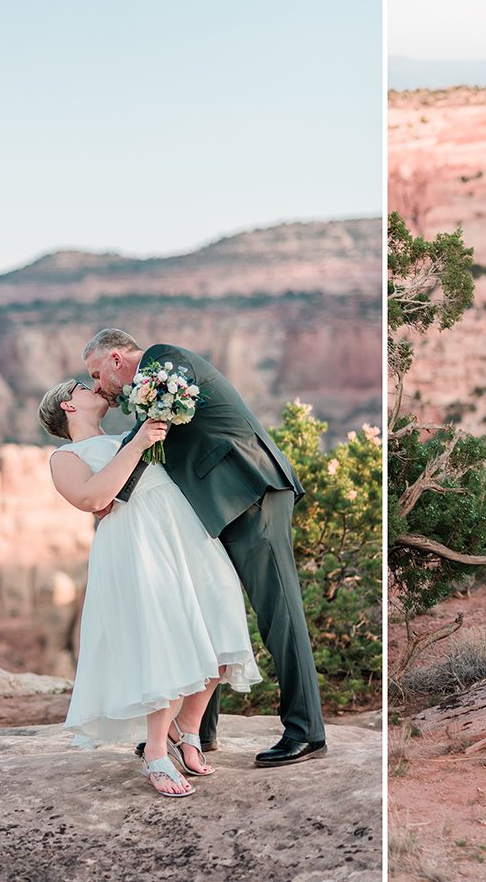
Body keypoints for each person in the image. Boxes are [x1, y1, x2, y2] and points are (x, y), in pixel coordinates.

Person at [82, 328, 327, 768]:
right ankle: (199, 732)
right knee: (206, 610)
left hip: (251, 490)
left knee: (280, 613)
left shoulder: (163, 359)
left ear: (117, 359)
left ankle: (306, 731)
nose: (99, 387)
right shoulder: (150, 379)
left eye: (98, 374)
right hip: (218, 506)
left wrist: (107, 495)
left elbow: (149, 429)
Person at [38, 380, 262, 797]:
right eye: (81, 386)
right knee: (166, 636)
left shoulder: (128, 435)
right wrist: (138, 444)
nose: (93, 387)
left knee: (221, 613)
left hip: (183, 528)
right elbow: (95, 500)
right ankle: (156, 752)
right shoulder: (65, 457)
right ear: (68, 405)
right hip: (137, 542)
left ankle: (188, 730)